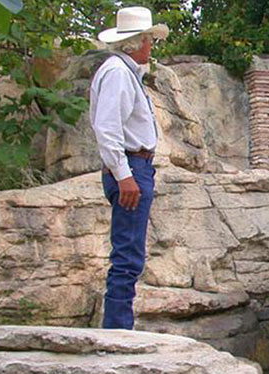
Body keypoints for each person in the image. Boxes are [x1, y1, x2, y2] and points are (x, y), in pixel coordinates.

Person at [90, 6, 168, 330]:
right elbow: (107, 128)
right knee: (126, 257)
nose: (151, 45)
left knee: (129, 253)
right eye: (149, 39)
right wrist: (124, 175)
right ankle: (118, 332)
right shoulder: (119, 73)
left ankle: (120, 327)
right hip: (131, 168)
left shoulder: (123, 72)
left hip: (136, 167)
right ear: (136, 42)